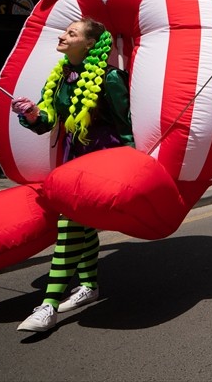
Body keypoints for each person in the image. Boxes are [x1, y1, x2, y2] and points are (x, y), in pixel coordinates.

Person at [9, 18, 131, 332]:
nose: (63, 36)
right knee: (82, 225)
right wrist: (32, 113)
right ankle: (89, 287)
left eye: (71, 33)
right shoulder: (61, 76)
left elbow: (126, 129)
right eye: (65, 31)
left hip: (103, 163)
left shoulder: (111, 78)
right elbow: (47, 121)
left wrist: (131, 172)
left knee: (68, 223)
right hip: (71, 161)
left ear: (89, 44)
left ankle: (48, 305)